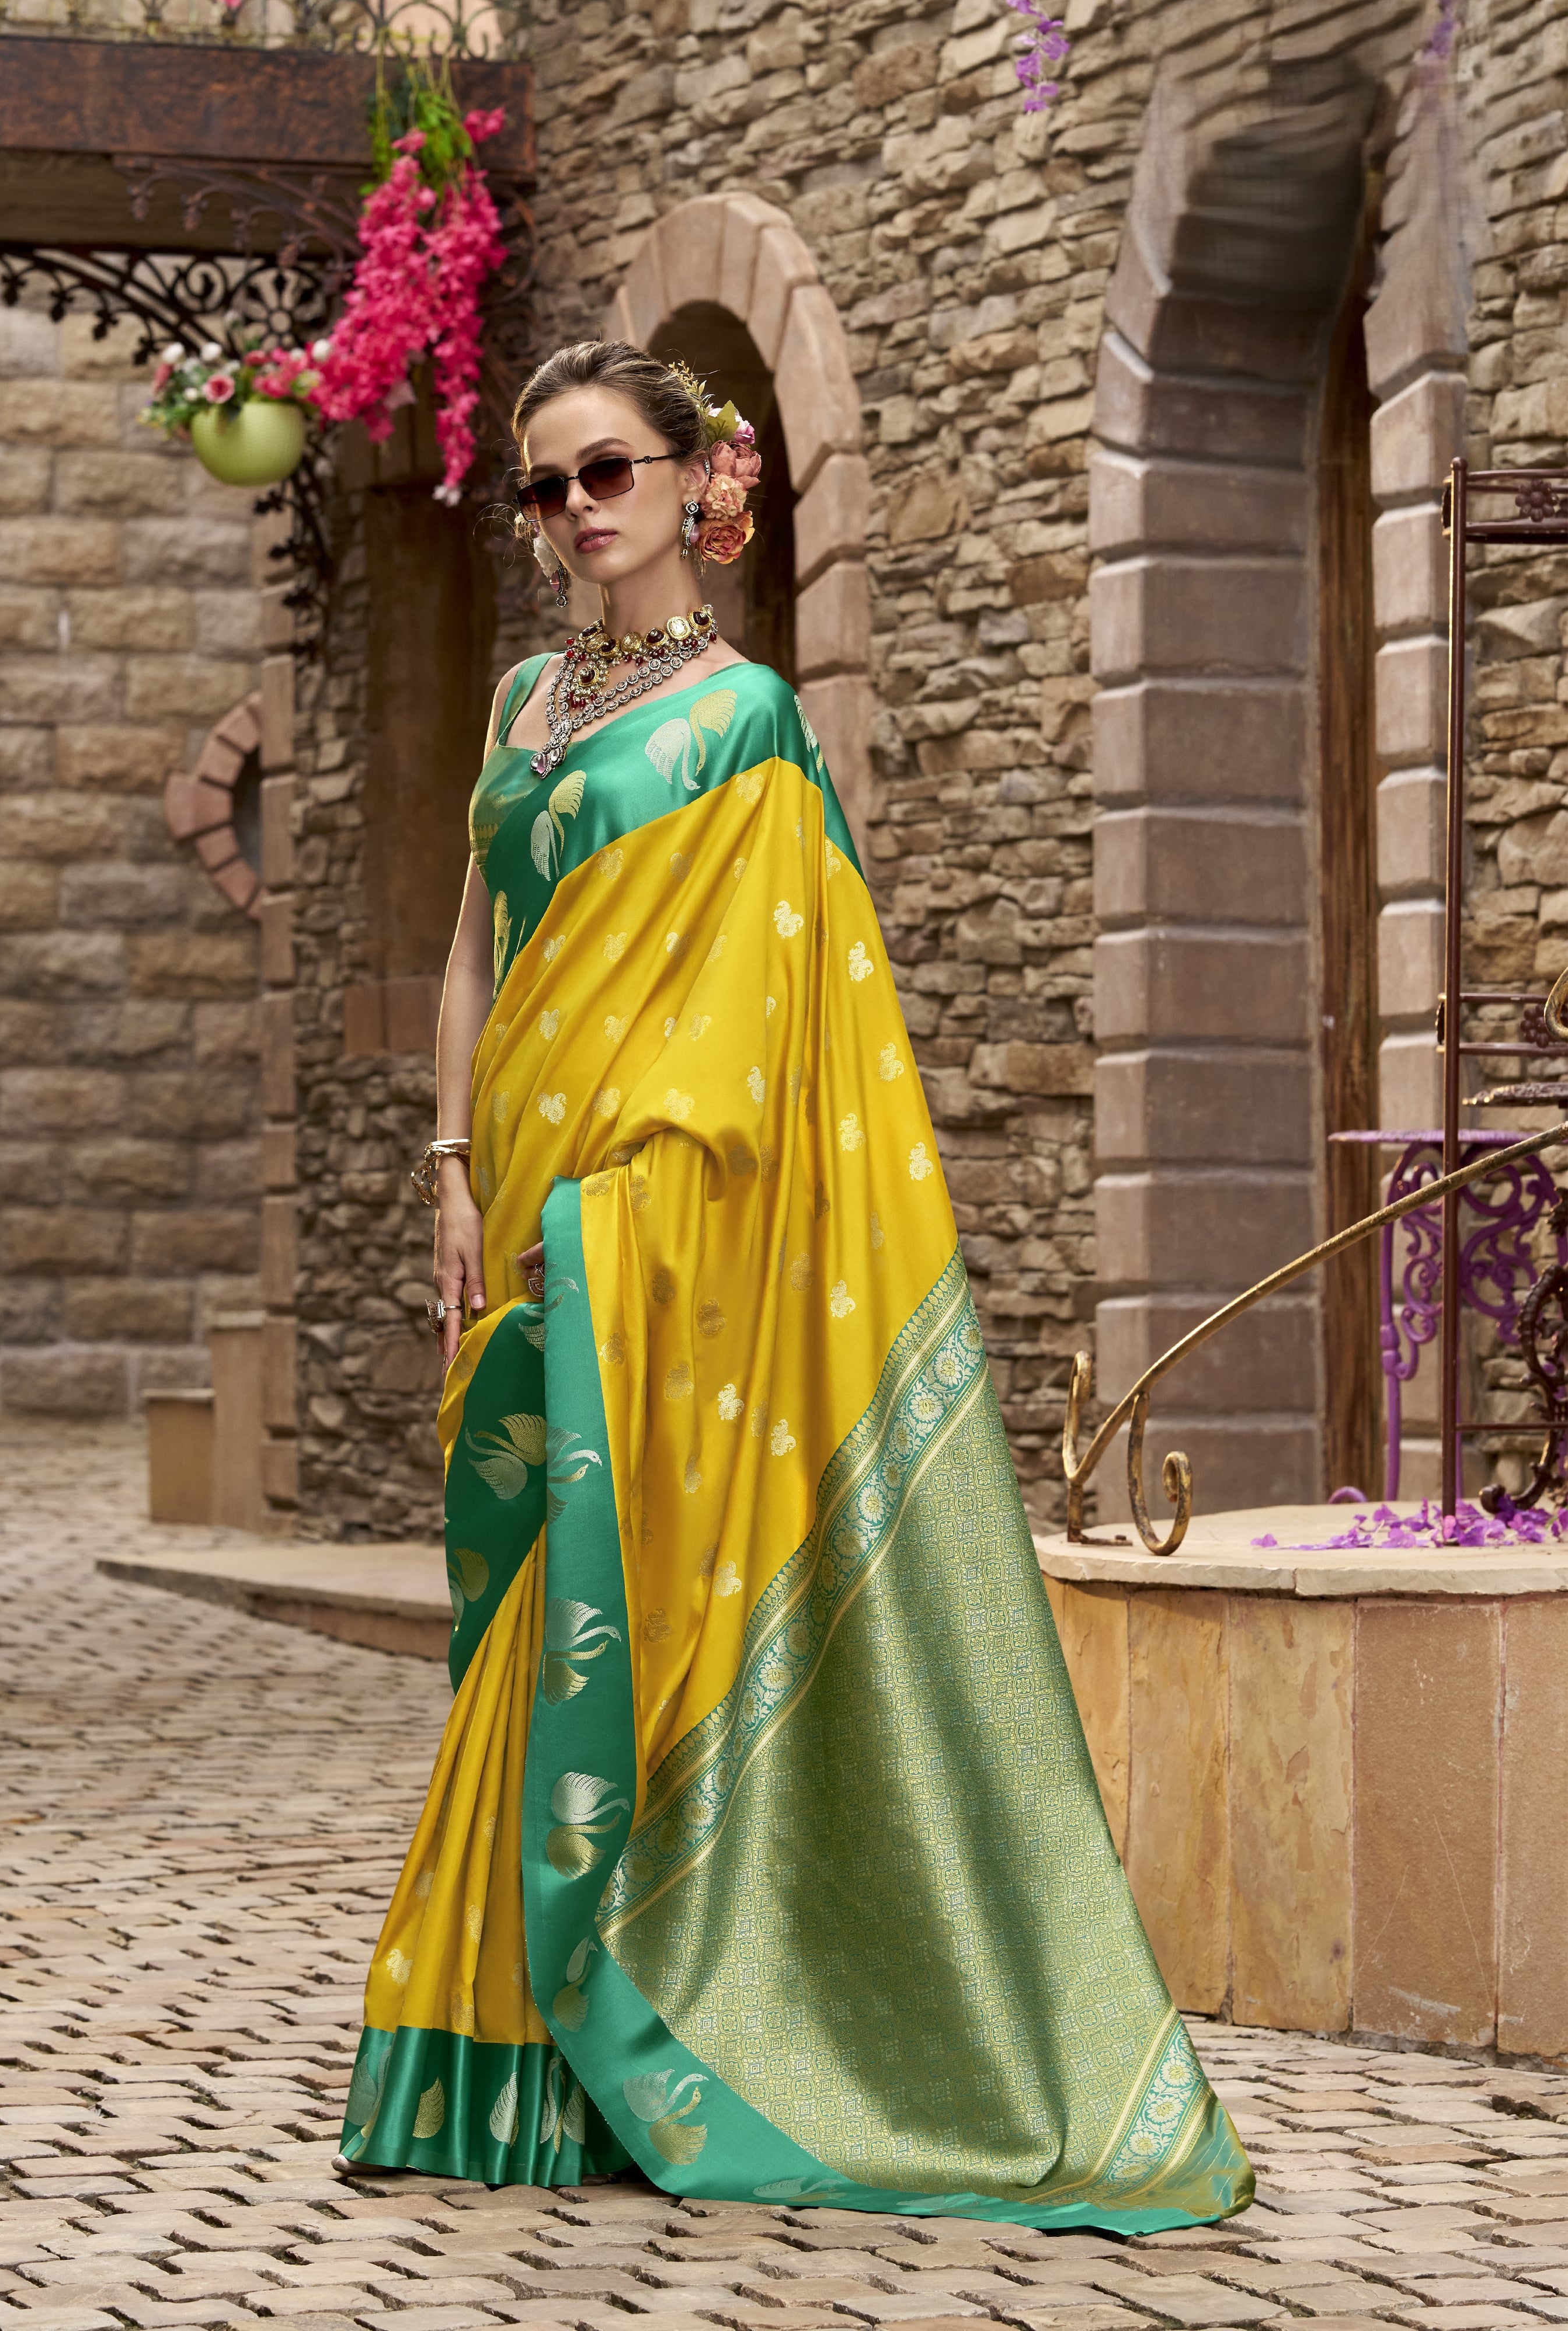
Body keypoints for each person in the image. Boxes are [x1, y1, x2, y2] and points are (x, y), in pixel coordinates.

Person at [338, 339, 1253, 2232]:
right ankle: (506, 2061)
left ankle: (667, 2023)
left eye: (607, 473)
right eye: (544, 486)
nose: (575, 513)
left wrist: (623, 1206)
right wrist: (451, 1167)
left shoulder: (745, 721)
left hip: (663, 1229)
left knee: (644, 1586)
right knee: (539, 1599)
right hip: (525, 1195)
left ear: (697, 481)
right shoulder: (523, 701)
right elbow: (474, 953)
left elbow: (762, 1029)